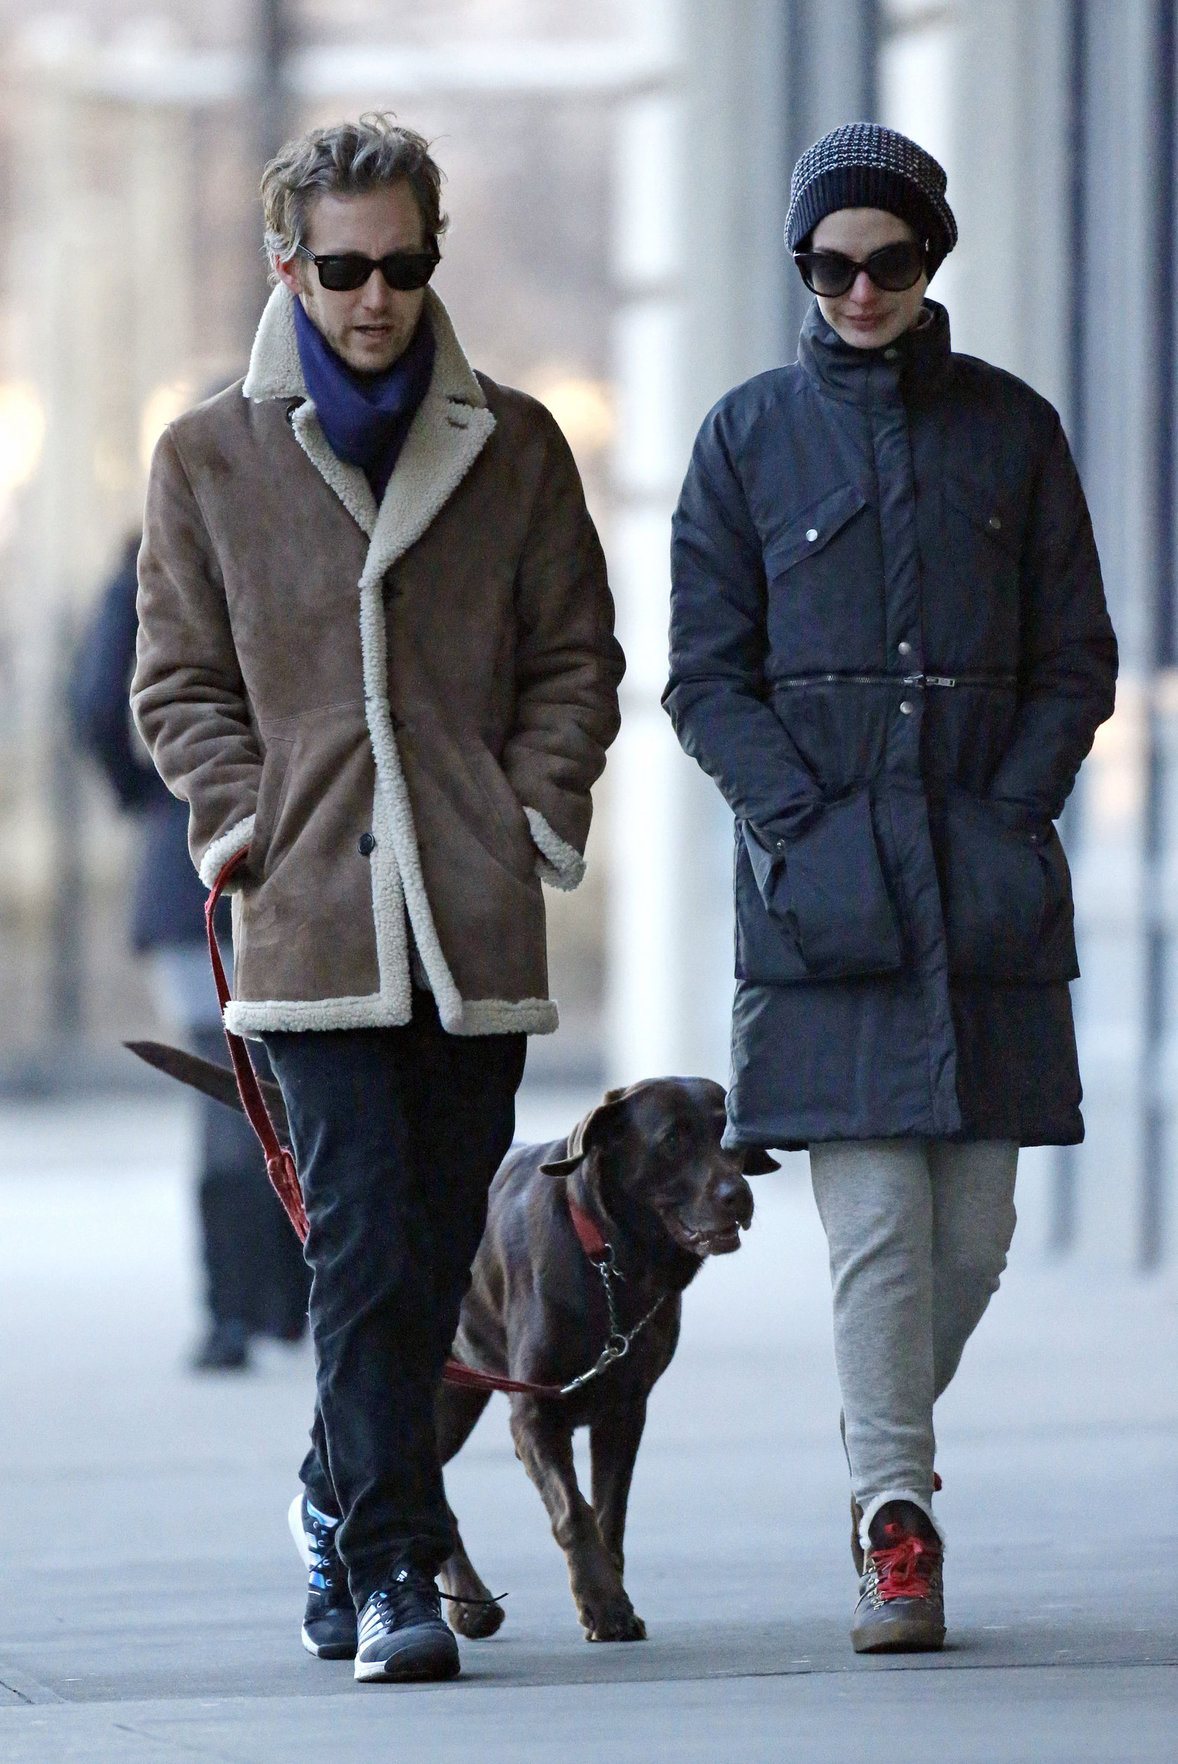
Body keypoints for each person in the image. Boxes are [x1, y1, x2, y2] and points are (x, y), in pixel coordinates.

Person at [131, 114, 623, 1684]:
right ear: (289, 265)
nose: (376, 297)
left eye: (404, 266)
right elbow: (175, 684)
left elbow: (576, 660)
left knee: (431, 1251)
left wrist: (529, 812)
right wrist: (243, 824)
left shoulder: (515, 444)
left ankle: (332, 1504)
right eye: (344, 269)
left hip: (468, 921)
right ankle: (394, 1568)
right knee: (356, 1246)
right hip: (309, 924)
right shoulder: (206, 457)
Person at [665, 122, 1116, 1654]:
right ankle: (894, 1521)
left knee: (970, 1236)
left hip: (981, 886)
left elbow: (1076, 655)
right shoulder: (742, 438)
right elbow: (704, 676)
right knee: (874, 1235)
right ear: (800, 268)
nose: (858, 290)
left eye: (888, 261)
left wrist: (1007, 807)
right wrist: (798, 825)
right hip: (830, 902)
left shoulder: (1012, 428)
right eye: (828, 266)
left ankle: (875, 1443)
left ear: (932, 260)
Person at [70, 534, 311, 1371]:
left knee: (226, 1090)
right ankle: (291, 1298)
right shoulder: (299, 538)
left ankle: (234, 1312)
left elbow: (96, 703)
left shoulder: (149, 559)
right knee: (303, 1079)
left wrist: (147, 795)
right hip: (303, 855)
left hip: (188, 873)